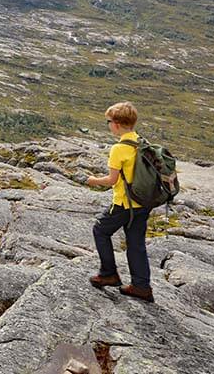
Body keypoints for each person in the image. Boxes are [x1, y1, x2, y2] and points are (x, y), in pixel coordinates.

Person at [86, 101, 154, 302]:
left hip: (124, 204)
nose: (108, 125)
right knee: (136, 244)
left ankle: (109, 273)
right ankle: (141, 286)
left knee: (100, 230)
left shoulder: (119, 148)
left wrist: (92, 180)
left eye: (108, 121)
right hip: (142, 204)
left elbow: (112, 180)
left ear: (116, 124)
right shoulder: (141, 141)